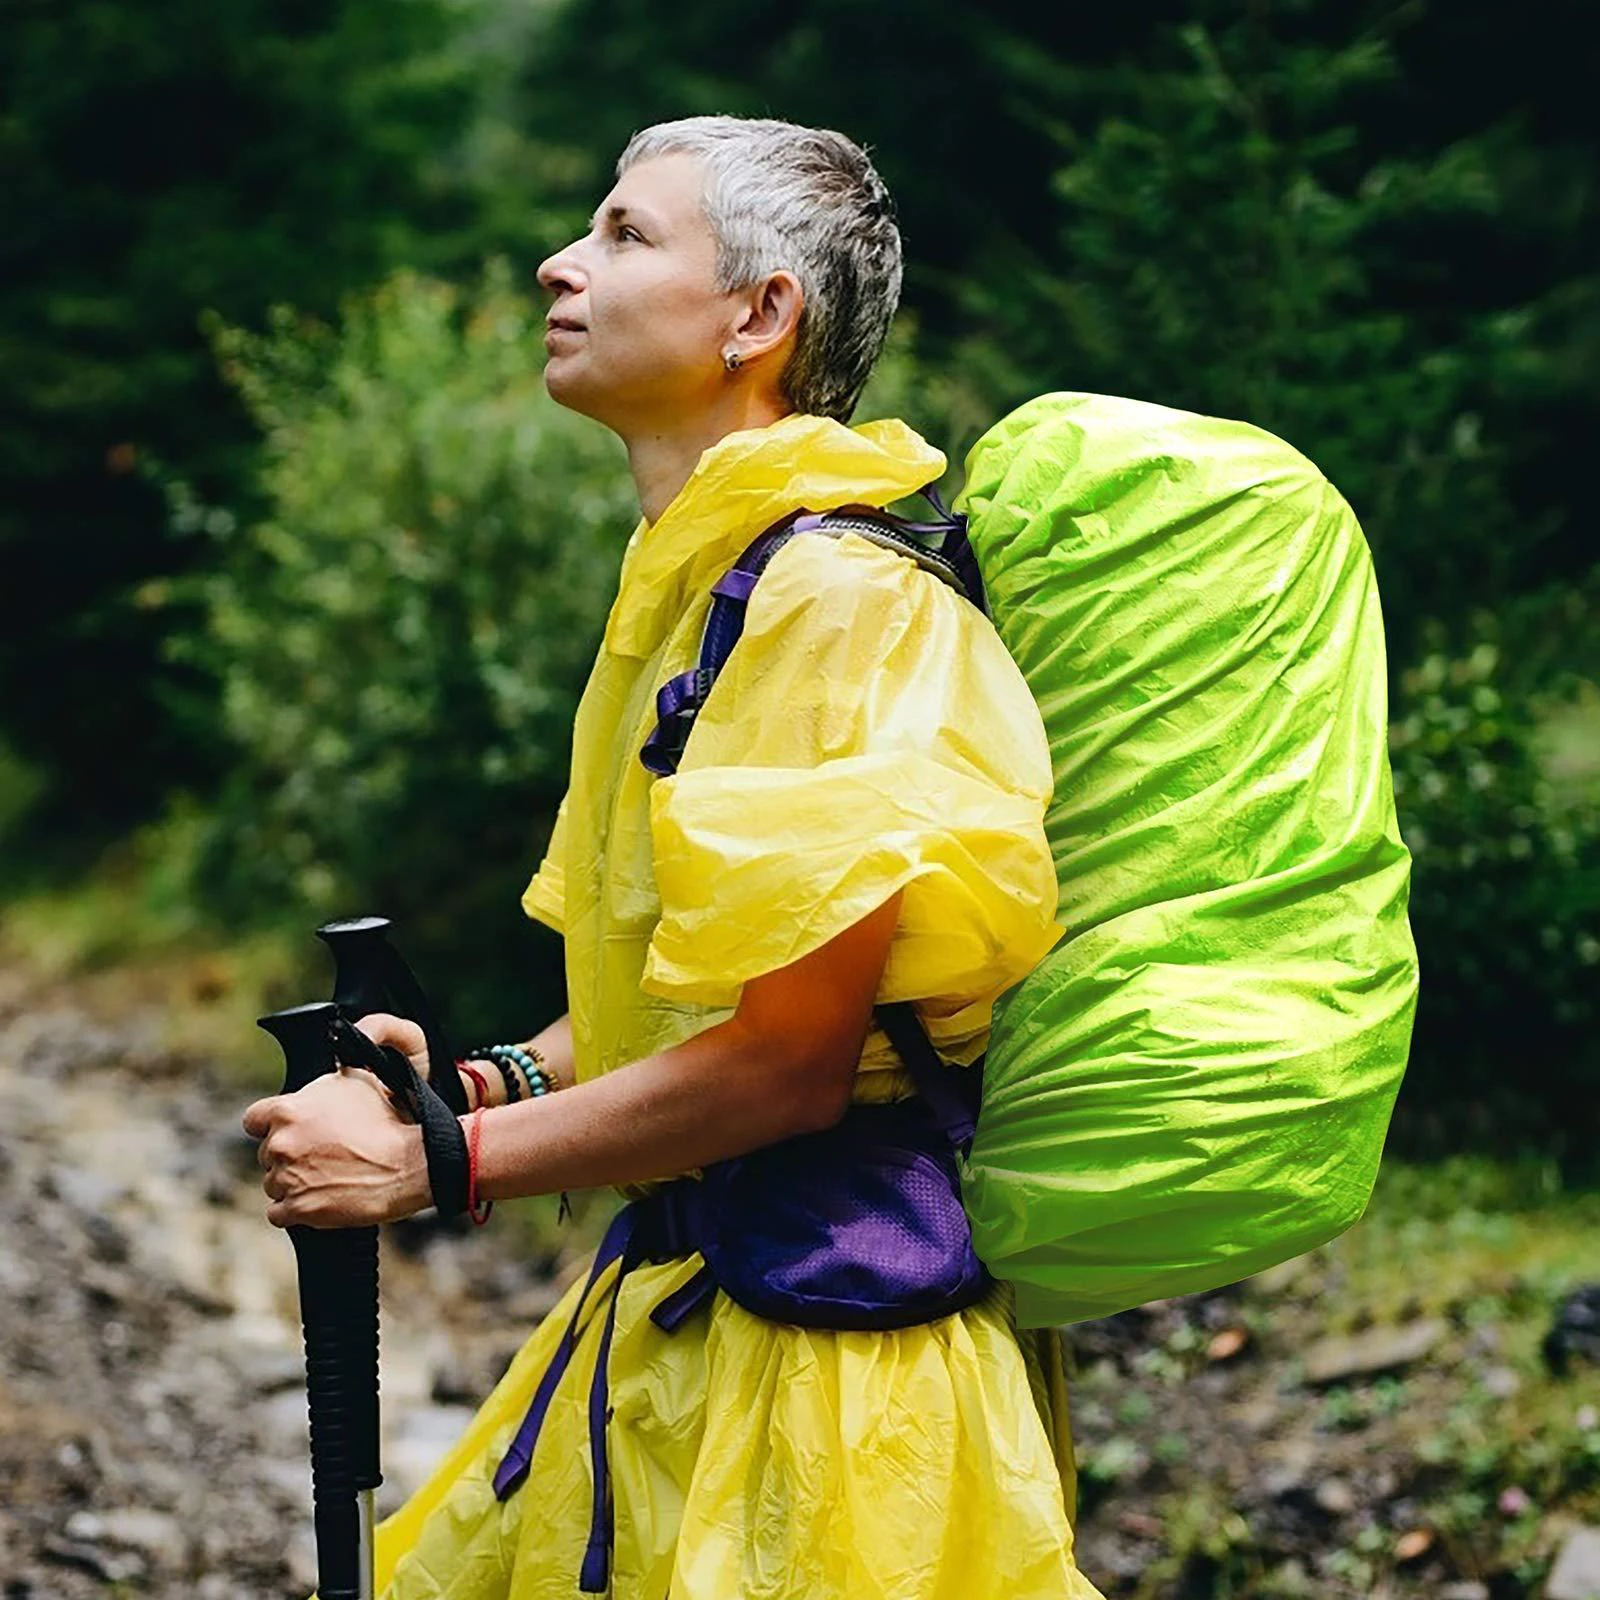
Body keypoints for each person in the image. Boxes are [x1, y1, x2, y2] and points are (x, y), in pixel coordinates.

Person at [243, 114, 1105, 1600]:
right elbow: (694, 997)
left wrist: (431, 1166)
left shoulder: (836, 601)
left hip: (835, 1394)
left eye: (627, 235)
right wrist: (479, 1083)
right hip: (689, 1321)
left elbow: (789, 1065)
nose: (557, 263)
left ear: (761, 318)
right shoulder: (713, 583)